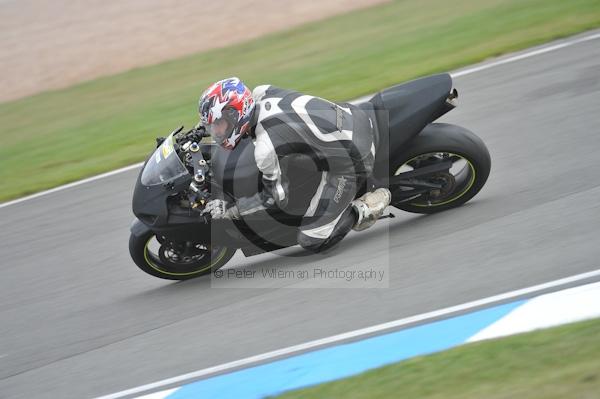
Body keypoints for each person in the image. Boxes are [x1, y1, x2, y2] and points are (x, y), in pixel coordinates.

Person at [200, 77, 391, 253]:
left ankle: (366, 207)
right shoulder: (262, 92)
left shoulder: (266, 148)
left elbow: (274, 199)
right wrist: (203, 129)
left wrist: (232, 210)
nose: (216, 131)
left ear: (236, 115)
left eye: (219, 124)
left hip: (354, 160)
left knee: (312, 240)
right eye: (212, 126)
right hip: (352, 115)